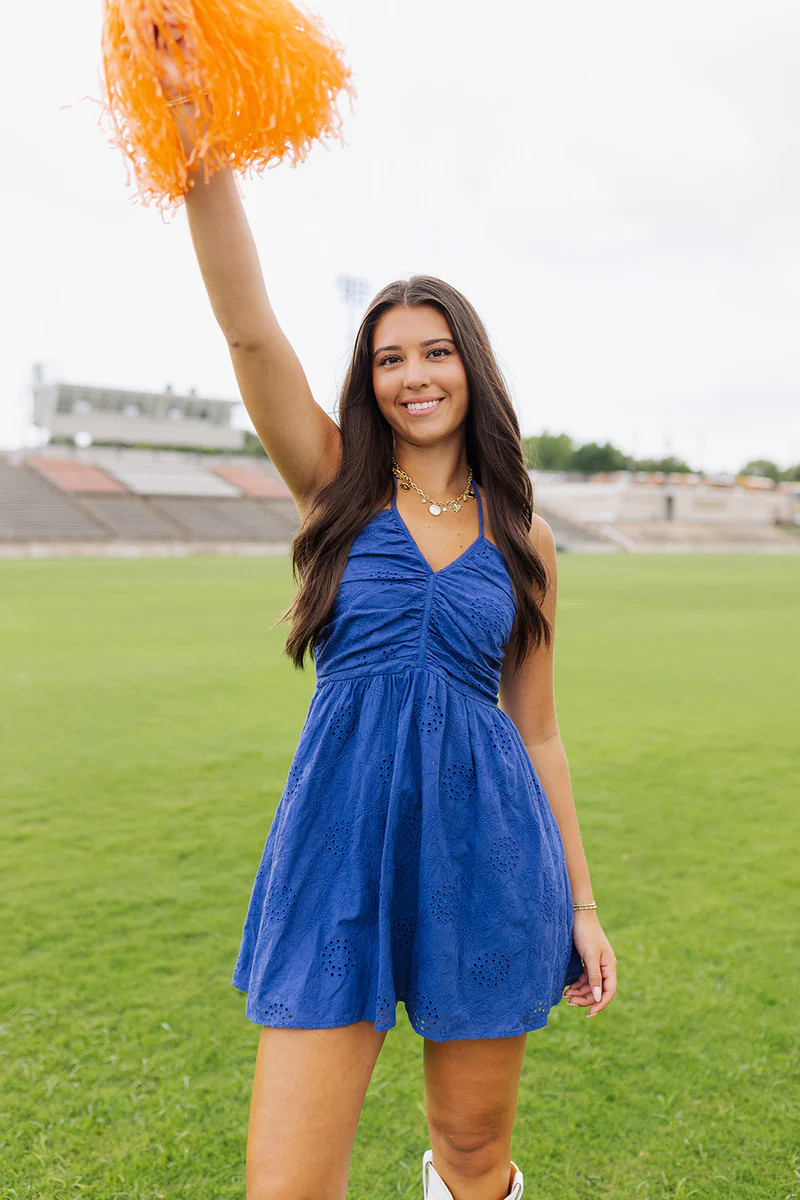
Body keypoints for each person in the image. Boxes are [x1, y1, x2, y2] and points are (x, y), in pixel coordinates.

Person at [150, 14, 617, 1200]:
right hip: (336, 847)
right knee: (287, 1185)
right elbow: (248, 326)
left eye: (433, 351)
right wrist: (198, 133)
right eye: (387, 358)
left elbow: (539, 730)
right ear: (368, 381)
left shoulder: (528, 543)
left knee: (471, 1159)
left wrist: (579, 902)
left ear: (470, 366)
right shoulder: (331, 485)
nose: (410, 374)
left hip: (487, 853)